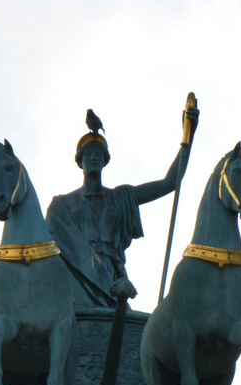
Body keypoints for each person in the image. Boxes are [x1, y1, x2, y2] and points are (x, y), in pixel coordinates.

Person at [45, 106, 197, 306]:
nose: (93, 158)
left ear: (105, 160)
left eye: (98, 154)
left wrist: (188, 138)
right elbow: (46, 250)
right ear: (79, 161)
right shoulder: (61, 205)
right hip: (76, 278)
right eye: (87, 154)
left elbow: (170, 182)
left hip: (112, 278)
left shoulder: (121, 196)